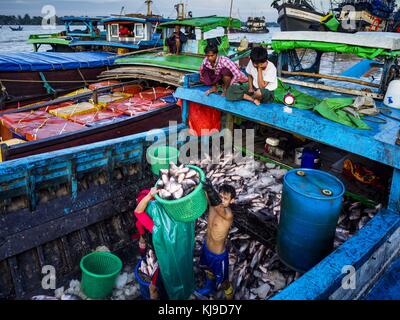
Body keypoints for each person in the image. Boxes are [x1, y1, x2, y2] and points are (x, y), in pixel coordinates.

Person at [195, 182, 236, 300]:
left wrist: (210, 190)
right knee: (208, 270)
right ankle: (209, 287)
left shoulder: (228, 215)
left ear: (232, 201)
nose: (222, 200)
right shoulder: (213, 205)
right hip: (206, 249)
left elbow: (216, 204)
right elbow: (205, 193)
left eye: (226, 198)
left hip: (218, 257)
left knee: (224, 282)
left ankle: (230, 298)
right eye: (220, 197)